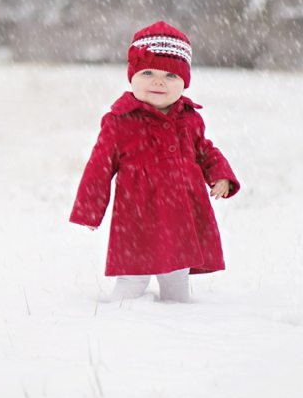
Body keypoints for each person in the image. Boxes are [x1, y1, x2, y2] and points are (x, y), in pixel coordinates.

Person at [69, 21, 240, 302]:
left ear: (184, 82)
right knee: (132, 275)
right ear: (132, 77)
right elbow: (99, 166)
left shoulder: (189, 118)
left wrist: (219, 175)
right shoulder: (119, 121)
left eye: (170, 75)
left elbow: (205, 150)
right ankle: (121, 317)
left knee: (177, 271)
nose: (158, 81)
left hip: (182, 211)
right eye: (148, 72)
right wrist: (90, 209)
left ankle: (179, 317)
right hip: (137, 212)